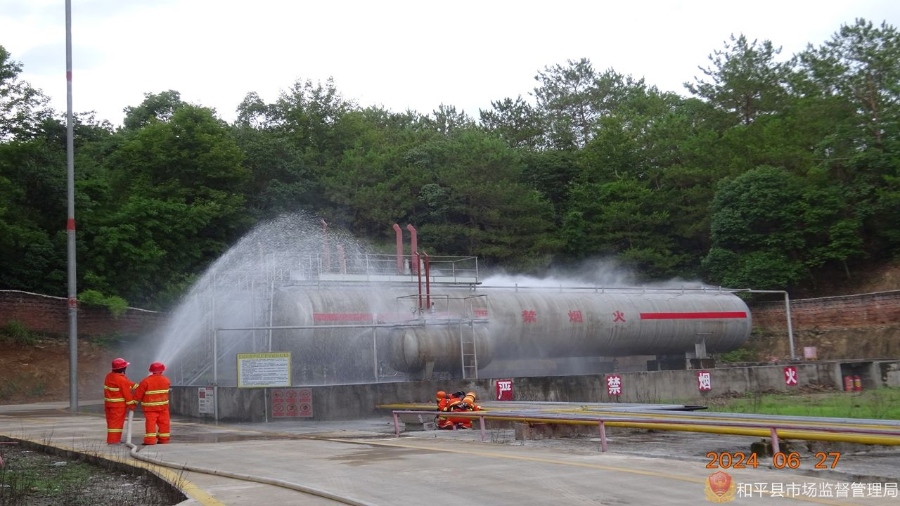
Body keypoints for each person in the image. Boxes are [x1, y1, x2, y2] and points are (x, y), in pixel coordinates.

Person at [133, 362, 172, 445]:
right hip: (163, 407)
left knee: (150, 424)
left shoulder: (145, 381)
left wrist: (132, 404)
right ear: (162, 371)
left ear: (151, 371)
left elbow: (138, 394)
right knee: (164, 424)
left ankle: (150, 441)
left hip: (150, 408)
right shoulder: (166, 380)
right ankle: (164, 440)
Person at [103, 357, 137, 444]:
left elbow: (126, 384)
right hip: (118, 406)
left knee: (111, 423)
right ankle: (113, 441)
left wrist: (138, 386)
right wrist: (132, 405)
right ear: (123, 368)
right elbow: (127, 394)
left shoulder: (109, 376)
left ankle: (114, 439)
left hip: (109, 405)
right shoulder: (121, 379)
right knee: (116, 424)